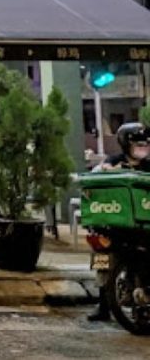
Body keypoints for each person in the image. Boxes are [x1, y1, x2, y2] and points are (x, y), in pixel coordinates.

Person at [87, 122, 150, 322]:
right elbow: (94, 183)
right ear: (126, 145)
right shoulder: (111, 163)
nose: (142, 149)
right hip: (115, 227)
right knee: (102, 259)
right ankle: (103, 305)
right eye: (138, 145)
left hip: (142, 226)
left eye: (145, 145)